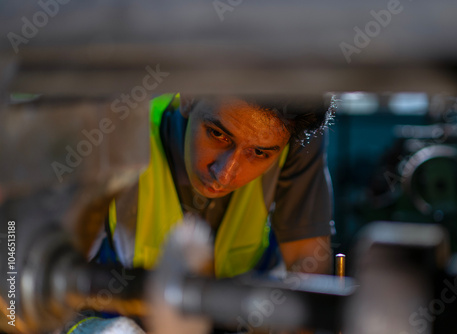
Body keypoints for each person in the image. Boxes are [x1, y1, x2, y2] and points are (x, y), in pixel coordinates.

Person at [67, 93, 335, 333]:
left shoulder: (296, 137)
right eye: (218, 135)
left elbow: (307, 271)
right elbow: (39, 292)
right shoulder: (114, 136)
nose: (225, 173)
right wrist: (91, 329)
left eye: (259, 153)